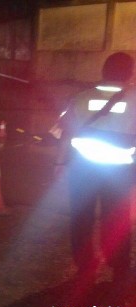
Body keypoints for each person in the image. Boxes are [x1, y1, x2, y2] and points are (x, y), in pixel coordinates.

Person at [54, 52, 136, 283]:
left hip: (83, 168)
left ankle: (85, 265)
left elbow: (65, 135)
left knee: (81, 218)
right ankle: (119, 267)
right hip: (119, 171)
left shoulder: (80, 98)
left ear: (103, 72)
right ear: (130, 73)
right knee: (116, 219)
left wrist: (59, 163)